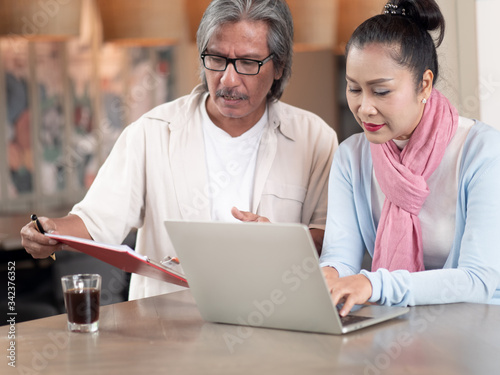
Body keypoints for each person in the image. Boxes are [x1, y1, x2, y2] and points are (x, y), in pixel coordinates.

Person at [21, 0, 338, 300]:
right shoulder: (152, 132)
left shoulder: (314, 138)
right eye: (216, 59)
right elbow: (95, 222)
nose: (228, 79)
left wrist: (277, 242)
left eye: (247, 63)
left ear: (279, 66)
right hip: (168, 329)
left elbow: (333, 240)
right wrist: (51, 232)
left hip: (273, 319)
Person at [320, 0, 500, 317]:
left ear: (424, 84)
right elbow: (339, 255)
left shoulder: (481, 151)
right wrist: (330, 274)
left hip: (476, 329)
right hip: (395, 325)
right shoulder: (351, 157)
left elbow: (478, 280)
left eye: (381, 91)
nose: (364, 108)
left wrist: (375, 286)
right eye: (354, 88)